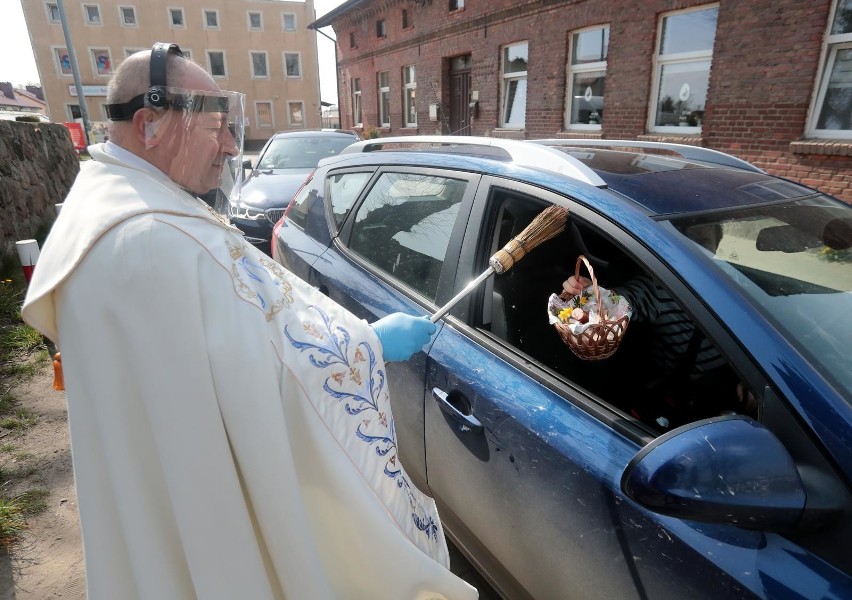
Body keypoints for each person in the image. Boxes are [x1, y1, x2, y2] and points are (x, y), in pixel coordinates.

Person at [22, 44, 476, 600]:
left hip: (158, 494)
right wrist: (365, 345)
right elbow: (260, 378)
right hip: (209, 510)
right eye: (216, 127)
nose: (233, 145)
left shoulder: (103, 205)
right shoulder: (156, 241)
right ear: (150, 125)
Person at [561, 225, 754, 428]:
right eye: (688, 244)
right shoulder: (660, 288)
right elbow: (620, 301)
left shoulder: (730, 280)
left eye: (704, 245)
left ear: (716, 247)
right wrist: (587, 294)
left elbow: (755, 331)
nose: (695, 253)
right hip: (697, 402)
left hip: (744, 380)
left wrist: (751, 377)